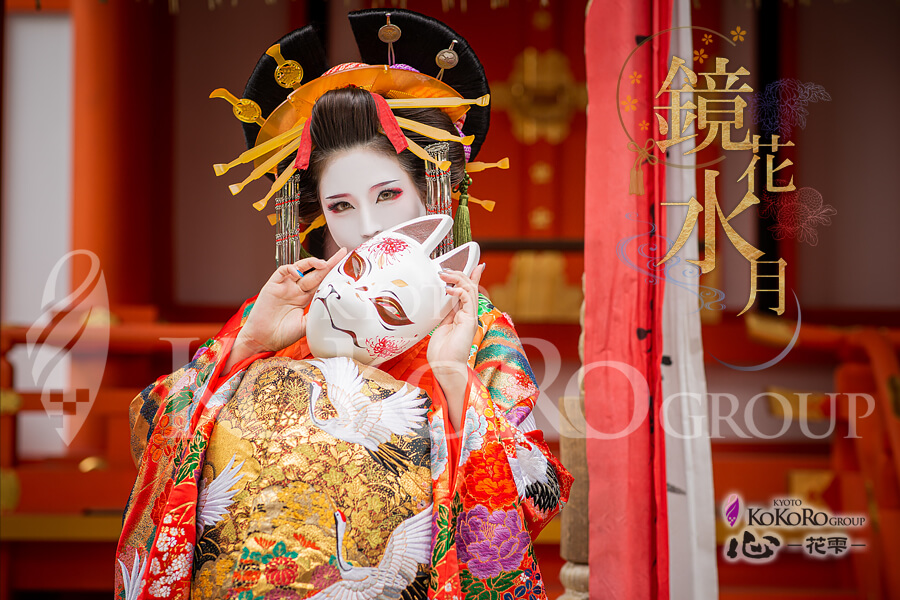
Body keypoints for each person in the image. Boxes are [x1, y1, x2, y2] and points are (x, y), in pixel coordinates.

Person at [115, 10, 571, 600]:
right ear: (317, 217)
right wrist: (248, 347)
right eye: (341, 207)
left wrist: (455, 376)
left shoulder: (476, 327)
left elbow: (531, 496)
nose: (369, 226)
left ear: (434, 193)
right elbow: (151, 429)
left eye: (388, 195)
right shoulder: (281, 314)